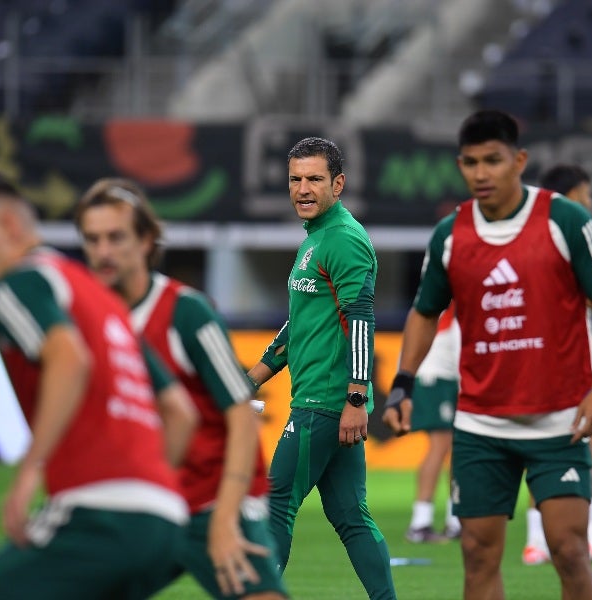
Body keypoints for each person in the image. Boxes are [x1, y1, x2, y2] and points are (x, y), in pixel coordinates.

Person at [383, 109, 592, 600]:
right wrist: (402, 383)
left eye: (492, 160)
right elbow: (424, 312)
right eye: (470, 163)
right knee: (477, 555)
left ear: (519, 160)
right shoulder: (450, 236)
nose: (480, 173)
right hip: (481, 425)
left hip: (559, 420)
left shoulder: (565, 220)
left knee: (569, 549)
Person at [0, 171, 195, 600]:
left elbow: (69, 358)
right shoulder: (101, 297)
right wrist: (145, 489)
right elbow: (180, 412)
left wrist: (27, 472)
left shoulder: (18, 284)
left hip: (98, 516)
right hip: (164, 521)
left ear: (8, 226)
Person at [75, 178, 287, 600]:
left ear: (147, 239)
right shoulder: (88, 318)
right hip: (145, 503)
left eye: (116, 237)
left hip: (212, 500)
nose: (103, 251)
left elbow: (242, 415)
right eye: (92, 239)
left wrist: (225, 519)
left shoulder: (186, 312)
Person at [245, 137, 397, 600]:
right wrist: (251, 378)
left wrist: (356, 398)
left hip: (326, 402)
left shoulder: (344, 240)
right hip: (325, 400)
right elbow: (301, 325)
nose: (303, 189)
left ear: (339, 183)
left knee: (275, 506)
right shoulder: (317, 239)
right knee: (351, 515)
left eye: (314, 179)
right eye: (295, 179)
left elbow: (361, 323)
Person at [518, 164, 592, 567]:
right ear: (570, 196)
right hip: (571, 352)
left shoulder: (528, 236)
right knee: (590, 433)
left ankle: (537, 540)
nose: (590, 202)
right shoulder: (572, 234)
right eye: (586, 193)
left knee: (543, 441)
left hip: (531, 352)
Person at [404, 303, 462, 543]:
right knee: (442, 446)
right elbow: (464, 357)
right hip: (437, 380)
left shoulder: (437, 307)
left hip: (433, 378)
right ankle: (421, 522)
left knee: (453, 448)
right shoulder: (458, 311)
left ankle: (454, 519)